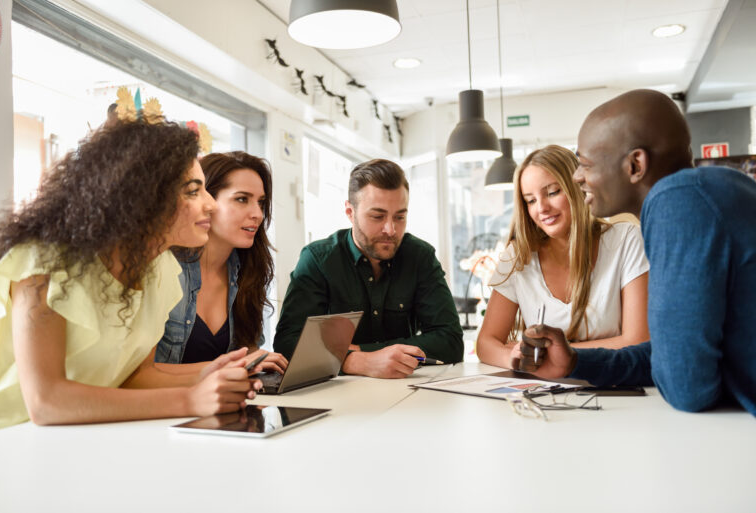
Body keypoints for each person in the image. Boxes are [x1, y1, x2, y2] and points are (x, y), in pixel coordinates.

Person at [0, 119, 262, 431]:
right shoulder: (43, 262)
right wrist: (190, 399)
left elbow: (135, 376)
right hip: (3, 437)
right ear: (143, 198)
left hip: (77, 435)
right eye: (192, 192)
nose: (211, 205)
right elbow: (46, 402)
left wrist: (214, 372)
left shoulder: (161, 269)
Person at [517, 89, 756, 416]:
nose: (577, 177)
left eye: (585, 164)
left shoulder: (678, 201)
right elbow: (667, 356)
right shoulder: (718, 186)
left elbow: (687, 387)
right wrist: (574, 360)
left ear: (635, 164)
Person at [273, 159, 463, 378]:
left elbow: (450, 341)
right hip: (338, 400)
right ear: (349, 212)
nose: (391, 229)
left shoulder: (419, 256)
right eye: (377, 216)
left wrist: (363, 351)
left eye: (400, 217)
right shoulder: (318, 260)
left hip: (406, 394)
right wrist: (356, 362)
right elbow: (287, 344)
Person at [476, 145, 649, 370]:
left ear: (576, 187)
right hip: (545, 392)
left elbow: (638, 341)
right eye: (531, 200)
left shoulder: (626, 240)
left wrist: (555, 354)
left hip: (614, 386)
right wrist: (513, 357)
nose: (542, 208)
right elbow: (486, 343)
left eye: (552, 192)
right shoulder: (518, 256)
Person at [154, 152, 287, 374]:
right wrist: (232, 367)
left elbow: (246, 351)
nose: (257, 214)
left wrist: (257, 360)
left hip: (219, 404)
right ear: (206, 201)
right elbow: (139, 374)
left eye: (261, 203)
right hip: (165, 406)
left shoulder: (248, 269)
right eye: (242, 199)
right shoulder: (165, 267)